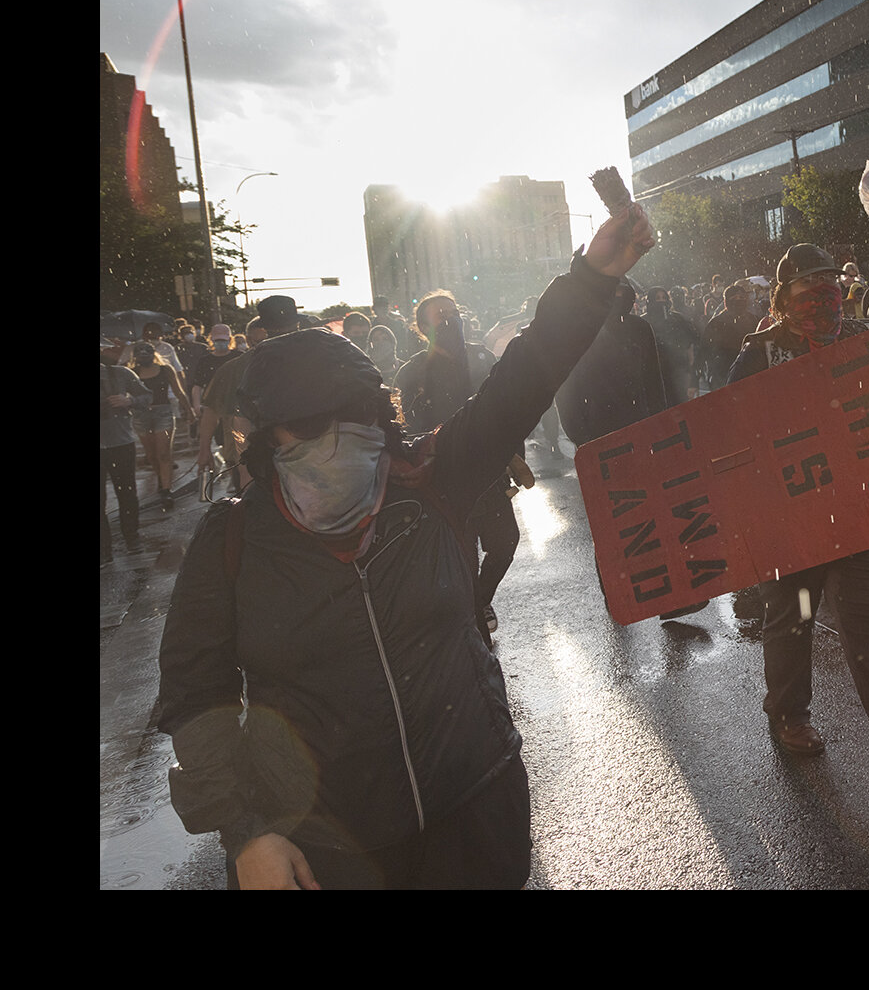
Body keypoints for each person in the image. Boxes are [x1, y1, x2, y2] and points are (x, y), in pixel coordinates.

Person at [156, 202, 657, 890]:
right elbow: (195, 697)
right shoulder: (233, 541)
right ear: (268, 442)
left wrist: (592, 278)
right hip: (331, 852)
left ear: (380, 422)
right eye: (306, 432)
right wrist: (248, 834)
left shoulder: (429, 480)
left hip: (478, 816)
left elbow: (523, 380)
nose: (332, 447)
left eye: (352, 423)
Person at [724, 243, 869, 793]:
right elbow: (731, 440)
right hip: (795, 528)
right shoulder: (757, 356)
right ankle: (789, 716)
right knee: (794, 619)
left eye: (830, 283)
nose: (822, 296)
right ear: (784, 297)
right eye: (808, 287)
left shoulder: (862, 344)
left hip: (862, 517)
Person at [396, 291, 522, 641]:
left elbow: (507, 409)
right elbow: (410, 429)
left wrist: (514, 455)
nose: (450, 319)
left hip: (489, 473)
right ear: (423, 328)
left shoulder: (482, 358)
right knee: (463, 557)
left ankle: (478, 601)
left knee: (504, 543)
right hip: (445, 480)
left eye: (454, 312)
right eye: (441, 315)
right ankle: (474, 637)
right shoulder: (412, 372)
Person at [555, 278, 668, 448]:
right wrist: (581, 437)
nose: (617, 297)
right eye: (611, 291)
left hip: (639, 425)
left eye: (621, 292)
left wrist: (658, 423)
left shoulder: (640, 328)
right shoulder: (578, 332)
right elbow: (566, 391)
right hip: (598, 430)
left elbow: (654, 381)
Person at [199, 300, 296, 498]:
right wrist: (203, 450)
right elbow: (211, 411)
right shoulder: (233, 369)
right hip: (256, 456)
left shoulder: (302, 362)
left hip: (278, 454)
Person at [101, 339, 150, 562]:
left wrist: (128, 400)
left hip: (120, 444)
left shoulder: (120, 373)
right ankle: (104, 550)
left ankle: (132, 538)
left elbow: (148, 396)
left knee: (127, 493)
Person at [129, 341, 189, 512]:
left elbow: (178, 391)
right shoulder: (132, 373)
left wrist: (189, 411)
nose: (143, 354)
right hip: (141, 416)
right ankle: (161, 478)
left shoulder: (165, 369)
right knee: (151, 455)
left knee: (163, 453)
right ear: (135, 356)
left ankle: (166, 490)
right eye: (139, 352)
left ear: (153, 353)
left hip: (163, 413)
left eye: (146, 351)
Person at [644, 285, 702, 403]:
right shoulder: (643, 323)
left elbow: (690, 349)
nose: (661, 301)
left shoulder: (677, 319)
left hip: (678, 374)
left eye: (664, 298)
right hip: (653, 377)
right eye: (657, 298)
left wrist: (692, 380)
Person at [699, 280, 760, 392]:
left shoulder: (753, 319)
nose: (739, 301)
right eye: (735, 298)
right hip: (723, 373)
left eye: (742, 297)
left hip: (749, 370)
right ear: (727, 301)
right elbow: (705, 348)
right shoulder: (717, 322)